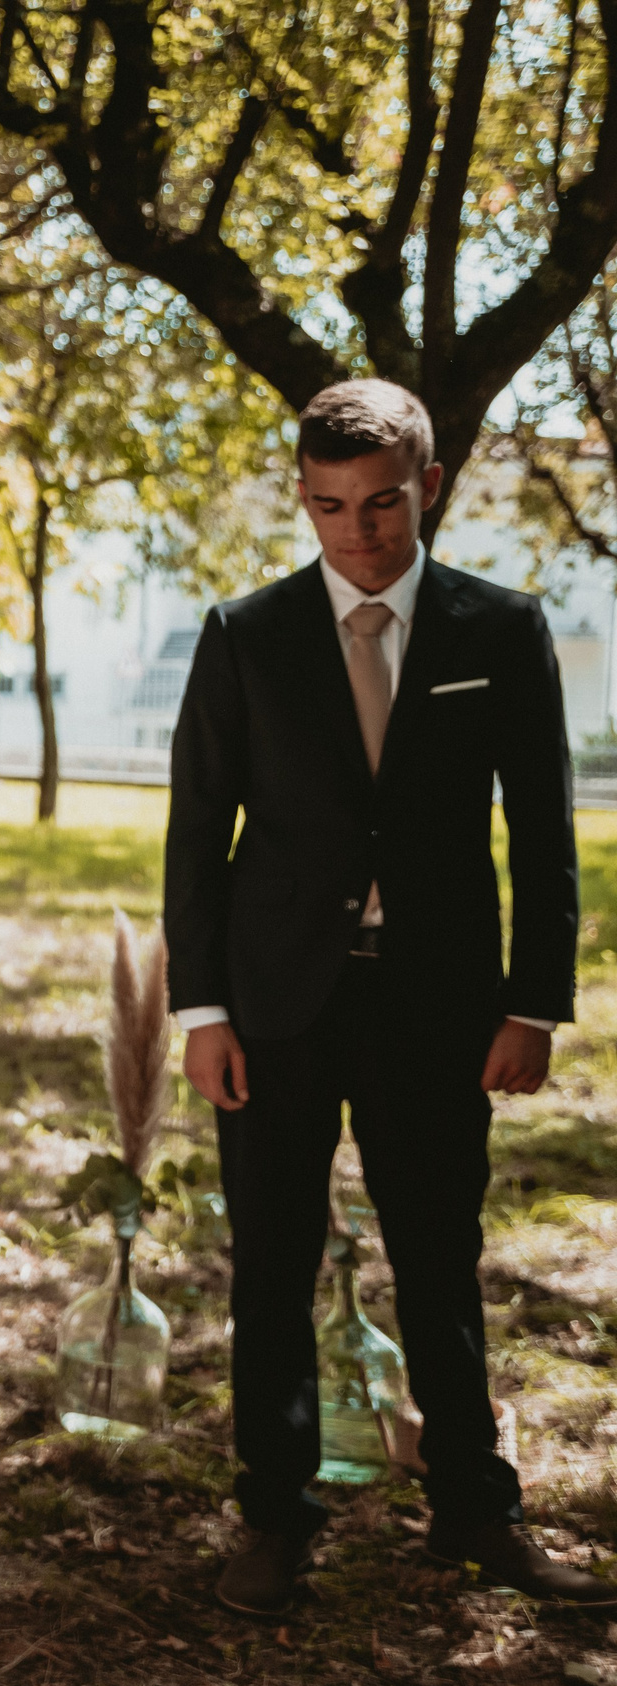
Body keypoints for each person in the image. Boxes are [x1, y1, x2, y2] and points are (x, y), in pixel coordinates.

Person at [168, 378, 607, 1614]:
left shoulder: (498, 628)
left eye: (378, 504)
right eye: (326, 506)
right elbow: (197, 833)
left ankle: (474, 1510)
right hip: (272, 1008)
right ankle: (273, 1516)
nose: (355, 533)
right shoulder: (243, 632)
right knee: (270, 1264)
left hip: (440, 1003)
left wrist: (534, 1001)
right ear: (301, 497)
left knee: (438, 1254)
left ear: (426, 486)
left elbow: (543, 828)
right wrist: (200, 1012)